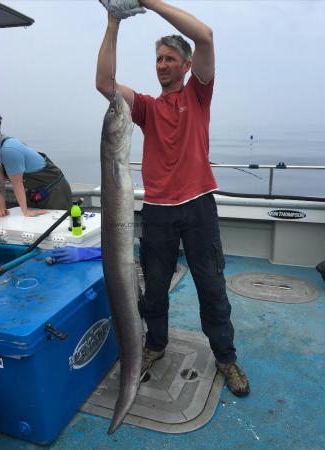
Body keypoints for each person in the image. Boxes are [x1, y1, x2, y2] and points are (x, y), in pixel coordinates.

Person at [96, 0, 250, 396]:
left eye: (169, 59)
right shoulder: (146, 108)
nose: (162, 65)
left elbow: (205, 36)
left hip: (199, 207)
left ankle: (225, 358)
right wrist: (114, 20)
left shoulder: (199, 94)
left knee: (211, 287)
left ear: (186, 65)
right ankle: (155, 345)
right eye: (158, 59)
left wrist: (146, 1)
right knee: (156, 289)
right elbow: (104, 84)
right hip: (159, 212)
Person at [0, 110, 72, 217]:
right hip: (35, 191)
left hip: (54, 190)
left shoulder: (9, 149)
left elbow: (17, 183)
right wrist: (1, 206)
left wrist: (26, 211)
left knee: (57, 225)